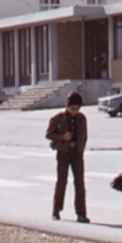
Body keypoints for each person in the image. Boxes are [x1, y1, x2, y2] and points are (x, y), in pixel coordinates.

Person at [46, 91, 89, 222]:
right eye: (72, 108)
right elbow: (49, 134)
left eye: (77, 109)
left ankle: (81, 213)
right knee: (61, 182)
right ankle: (56, 210)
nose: (74, 111)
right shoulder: (57, 118)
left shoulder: (82, 118)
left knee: (80, 183)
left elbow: (85, 135)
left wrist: (80, 148)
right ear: (66, 105)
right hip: (63, 153)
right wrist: (62, 138)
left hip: (77, 153)